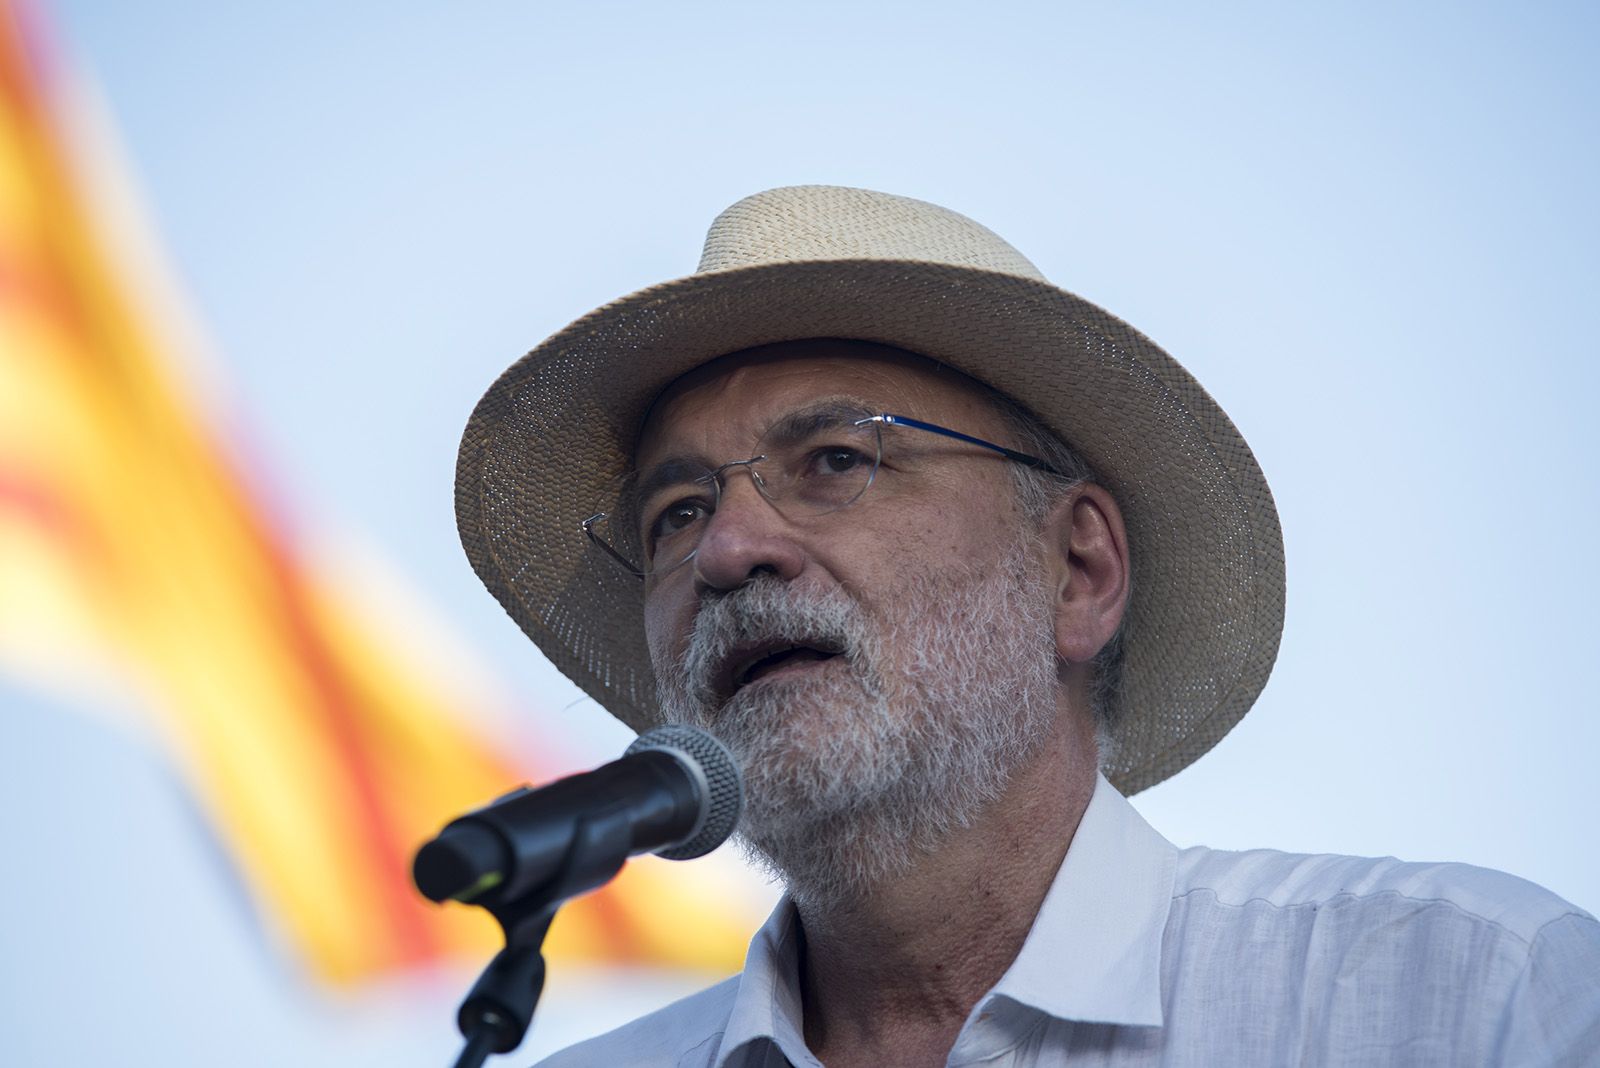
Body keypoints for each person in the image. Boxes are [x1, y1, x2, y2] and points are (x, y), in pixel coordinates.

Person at [454, 186, 1600, 1066]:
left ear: (1078, 569)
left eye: (839, 460)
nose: (725, 551)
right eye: (677, 511)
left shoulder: (1459, 995)